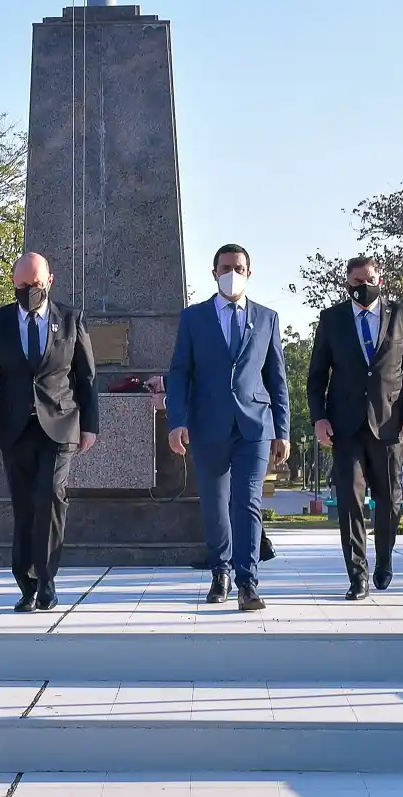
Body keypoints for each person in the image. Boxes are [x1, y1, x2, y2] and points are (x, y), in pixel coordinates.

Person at [0, 252, 99, 613]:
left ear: (50, 282)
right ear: (13, 283)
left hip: (60, 425)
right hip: (15, 429)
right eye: (23, 285)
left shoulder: (71, 320)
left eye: (37, 284)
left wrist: (91, 425)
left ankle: (47, 579)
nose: (30, 291)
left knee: (51, 495)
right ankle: (26, 584)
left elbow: (85, 378)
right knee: (24, 505)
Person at [166, 244, 290, 612]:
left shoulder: (267, 318)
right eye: (225, 267)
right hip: (208, 425)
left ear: (249, 272)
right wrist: (178, 422)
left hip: (254, 426)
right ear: (214, 271)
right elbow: (180, 373)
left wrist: (282, 430)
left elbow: (277, 378)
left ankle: (247, 582)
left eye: (238, 267)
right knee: (215, 504)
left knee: (248, 502)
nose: (231, 272)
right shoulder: (194, 318)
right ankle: (220, 569)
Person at [307, 256, 403, 601]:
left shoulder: (401, 316)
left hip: (389, 425)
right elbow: (316, 377)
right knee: (350, 502)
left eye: (369, 279)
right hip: (344, 427)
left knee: (390, 500)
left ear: (380, 279)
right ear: (347, 283)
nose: (363, 286)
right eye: (356, 281)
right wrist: (319, 418)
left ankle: (384, 559)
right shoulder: (332, 319)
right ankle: (357, 576)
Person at [146, 374, 277, 564]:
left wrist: (169, 401)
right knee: (233, 492)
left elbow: (217, 380)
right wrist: (166, 383)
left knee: (236, 494)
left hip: (238, 421)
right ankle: (248, 549)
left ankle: (234, 557)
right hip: (228, 422)